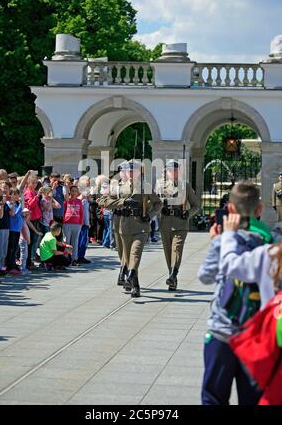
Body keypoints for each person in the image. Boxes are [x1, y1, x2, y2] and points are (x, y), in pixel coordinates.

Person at [198, 181, 272, 405]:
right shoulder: (269, 242)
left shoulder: (223, 241)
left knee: (213, 397)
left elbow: (205, 276)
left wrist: (216, 243)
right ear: (259, 209)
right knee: (252, 399)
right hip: (256, 334)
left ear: (230, 209)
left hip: (222, 331)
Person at [99, 160, 162, 298]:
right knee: (126, 257)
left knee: (135, 253)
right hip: (124, 225)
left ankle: (130, 274)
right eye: (129, 171)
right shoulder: (118, 187)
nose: (131, 173)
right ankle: (135, 285)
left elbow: (158, 203)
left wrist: (150, 215)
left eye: (134, 171)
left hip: (141, 225)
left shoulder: (145, 186)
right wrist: (123, 202)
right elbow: (104, 201)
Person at [156, 160, 199, 290]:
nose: (173, 172)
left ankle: (174, 274)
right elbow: (155, 203)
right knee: (168, 251)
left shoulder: (185, 186)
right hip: (165, 222)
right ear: (166, 172)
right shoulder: (160, 186)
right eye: (170, 170)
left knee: (177, 249)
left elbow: (196, 205)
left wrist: (188, 213)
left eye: (175, 170)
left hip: (181, 222)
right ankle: (172, 276)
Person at [63, 185, 84, 265]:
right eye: (72, 191)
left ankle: (74, 259)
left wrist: (81, 222)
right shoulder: (67, 200)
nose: (74, 192)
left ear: (77, 192)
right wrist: (63, 221)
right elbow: (64, 210)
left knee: (75, 242)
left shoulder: (79, 201)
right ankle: (66, 258)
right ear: (70, 192)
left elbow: (81, 212)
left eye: (75, 191)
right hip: (67, 223)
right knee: (66, 242)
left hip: (77, 224)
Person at [77, 176, 91, 264]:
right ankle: (80, 256)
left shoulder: (85, 198)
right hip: (81, 223)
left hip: (85, 221)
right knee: (82, 240)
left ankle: (80, 255)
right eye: (87, 186)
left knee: (83, 240)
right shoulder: (80, 199)